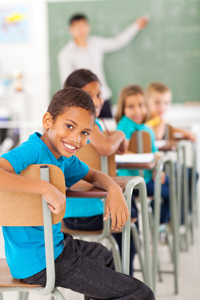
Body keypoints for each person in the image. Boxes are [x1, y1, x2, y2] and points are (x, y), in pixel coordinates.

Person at [0, 87, 154, 300]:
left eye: (84, 133)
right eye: (69, 126)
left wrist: (113, 190)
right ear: (48, 121)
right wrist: (44, 187)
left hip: (54, 247)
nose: (76, 138)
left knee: (105, 256)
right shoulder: (34, 150)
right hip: (42, 261)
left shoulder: (64, 157)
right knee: (141, 294)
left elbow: (94, 175)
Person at [63, 69, 136, 276]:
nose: (96, 100)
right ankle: (124, 282)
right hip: (96, 214)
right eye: (89, 94)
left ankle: (117, 280)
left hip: (65, 217)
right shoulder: (86, 124)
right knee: (131, 221)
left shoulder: (65, 127)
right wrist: (120, 134)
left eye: (99, 94)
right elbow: (105, 148)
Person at [58, 13, 148, 118]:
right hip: (83, 102)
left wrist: (135, 26)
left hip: (103, 97)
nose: (81, 29)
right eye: (77, 26)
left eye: (83, 25)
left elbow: (117, 42)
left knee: (108, 129)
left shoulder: (96, 43)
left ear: (88, 27)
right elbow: (66, 82)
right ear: (71, 29)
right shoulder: (65, 54)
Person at [115, 84, 170, 225]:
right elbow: (121, 150)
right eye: (131, 107)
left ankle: (159, 224)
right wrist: (149, 162)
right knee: (170, 191)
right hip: (131, 180)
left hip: (145, 176)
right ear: (123, 109)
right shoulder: (125, 124)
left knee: (173, 187)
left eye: (141, 105)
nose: (137, 110)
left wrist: (157, 167)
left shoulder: (146, 129)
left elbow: (154, 152)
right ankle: (158, 225)